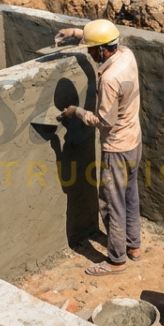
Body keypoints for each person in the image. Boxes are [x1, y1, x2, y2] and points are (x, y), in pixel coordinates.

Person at [55, 19, 142, 276]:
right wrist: (75, 33)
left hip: (116, 147)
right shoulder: (127, 55)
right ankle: (133, 246)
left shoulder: (110, 79)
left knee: (110, 202)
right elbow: (103, 37)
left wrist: (77, 112)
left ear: (104, 50)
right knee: (130, 196)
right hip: (134, 140)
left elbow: (104, 121)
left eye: (92, 51)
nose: (91, 55)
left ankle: (116, 260)